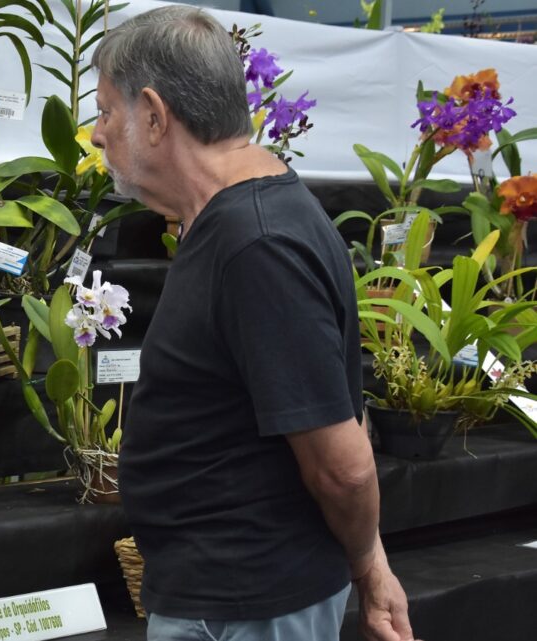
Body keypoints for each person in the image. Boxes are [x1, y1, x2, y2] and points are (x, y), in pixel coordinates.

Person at [91, 7, 420, 641]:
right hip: (234, 596)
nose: (99, 133)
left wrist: (369, 567)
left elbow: (343, 467)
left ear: (155, 116)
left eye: (107, 110)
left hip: (244, 605)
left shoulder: (255, 244)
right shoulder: (241, 219)